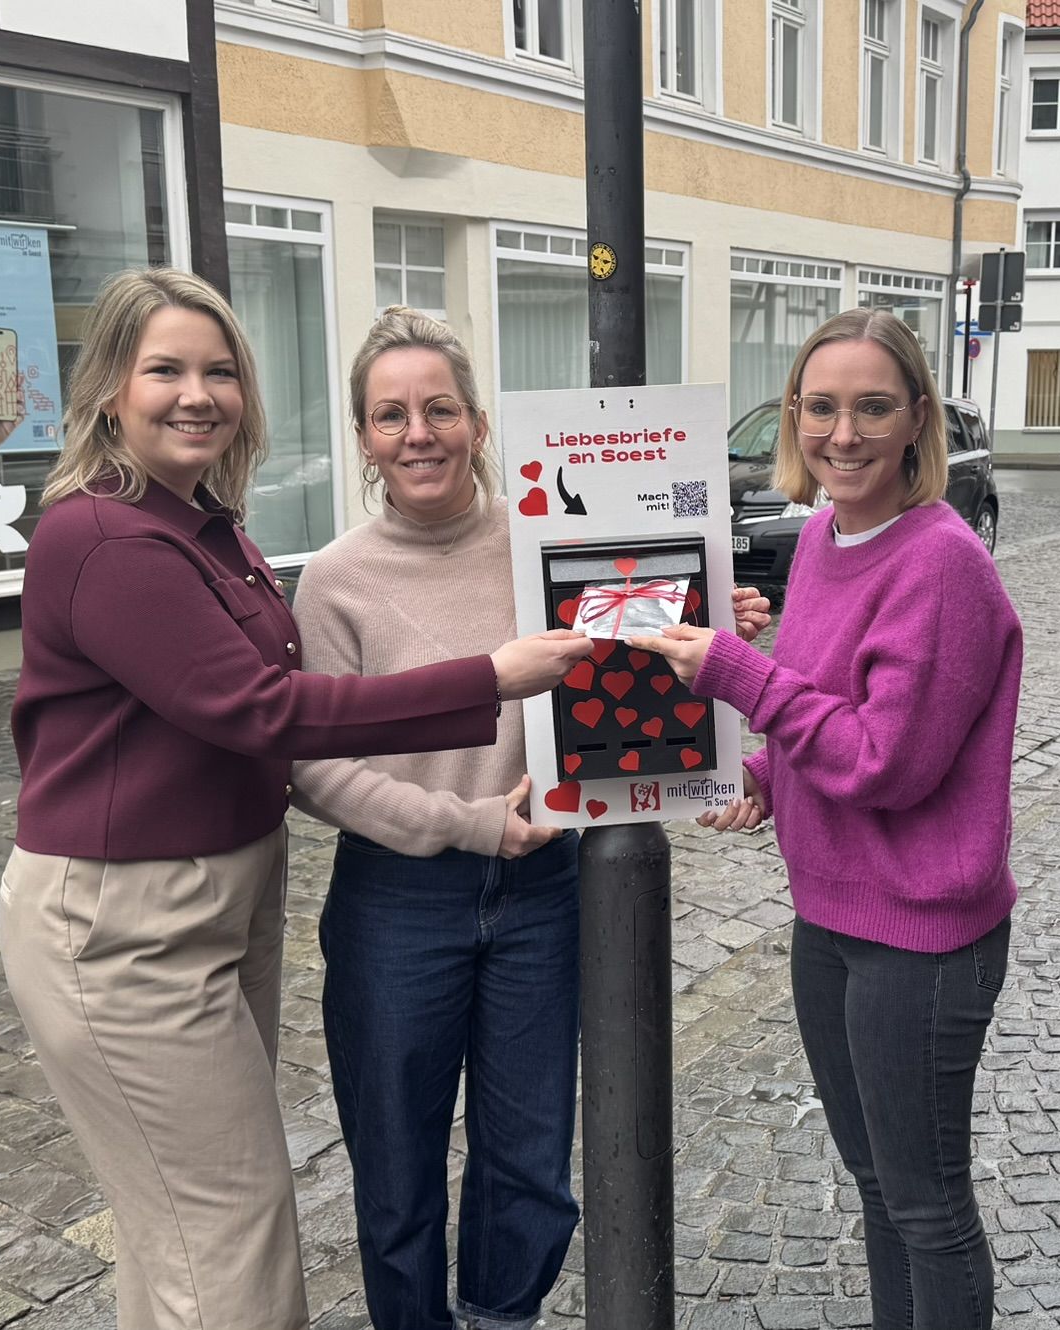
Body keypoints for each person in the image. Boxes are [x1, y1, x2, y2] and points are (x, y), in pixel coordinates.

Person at [0, 270, 591, 1330]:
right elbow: (267, 712)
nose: (197, 394)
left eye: (219, 370)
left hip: (224, 898)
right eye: (166, 370)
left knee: (183, 1222)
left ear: (477, 420)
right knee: (230, 1221)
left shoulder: (209, 529)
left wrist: (696, 600)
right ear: (107, 393)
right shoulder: (107, 536)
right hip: (132, 915)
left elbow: (614, 636)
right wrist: (484, 685)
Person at [288, 307, 770, 1330]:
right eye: (390, 416)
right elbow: (315, 771)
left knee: (532, 1168)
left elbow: (638, 648)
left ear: (474, 422)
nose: (418, 433)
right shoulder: (333, 580)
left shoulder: (544, 541)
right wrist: (463, 823)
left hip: (544, 890)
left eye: (439, 409)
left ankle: (500, 1320)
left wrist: (718, 621)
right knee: (396, 1173)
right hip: (397, 900)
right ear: (364, 437)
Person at [631, 308, 1022, 1330]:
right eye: (821, 406)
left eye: (872, 407)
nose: (842, 433)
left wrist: (734, 672)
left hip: (922, 938)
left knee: (928, 1206)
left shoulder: (941, 563)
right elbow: (821, 705)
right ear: (794, 416)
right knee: (879, 1187)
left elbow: (886, 761)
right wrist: (766, 773)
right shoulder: (821, 537)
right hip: (833, 921)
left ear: (916, 421)